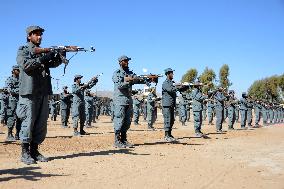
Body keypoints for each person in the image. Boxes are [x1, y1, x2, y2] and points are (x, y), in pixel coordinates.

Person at [16, 25, 63, 164]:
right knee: (28, 122)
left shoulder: (43, 52)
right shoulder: (23, 50)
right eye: (36, 34)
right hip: (29, 92)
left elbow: (52, 64)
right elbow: (26, 65)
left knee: (40, 123)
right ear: (29, 36)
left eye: (40, 34)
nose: (39, 37)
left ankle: (34, 151)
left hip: (43, 92)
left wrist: (60, 56)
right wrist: (42, 59)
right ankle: (25, 153)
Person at [112, 55, 148, 148]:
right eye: (125, 60)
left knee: (127, 121)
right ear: (120, 62)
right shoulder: (117, 73)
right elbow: (120, 85)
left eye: (127, 60)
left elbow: (137, 80)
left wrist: (146, 79)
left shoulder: (130, 72)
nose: (127, 62)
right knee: (119, 119)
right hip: (120, 100)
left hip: (128, 100)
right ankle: (117, 141)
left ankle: (123, 139)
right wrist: (129, 81)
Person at [162, 68, 187, 142]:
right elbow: (171, 89)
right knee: (167, 120)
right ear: (167, 74)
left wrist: (185, 87)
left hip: (171, 104)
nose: (172, 74)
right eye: (171, 73)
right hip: (167, 104)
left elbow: (177, 89)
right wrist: (178, 86)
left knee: (172, 120)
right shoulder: (165, 83)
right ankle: (166, 135)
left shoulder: (172, 82)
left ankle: (169, 134)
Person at [5, 65, 21, 141]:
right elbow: (10, 90)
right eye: (17, 70)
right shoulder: (9, 79)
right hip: (12, 100)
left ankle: (18, 133)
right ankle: (9, 133)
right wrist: (20, 91)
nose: (19, 71)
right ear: (14, 71)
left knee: (20, 117)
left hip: (20, 100)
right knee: (11, 116)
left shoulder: (22, 79)